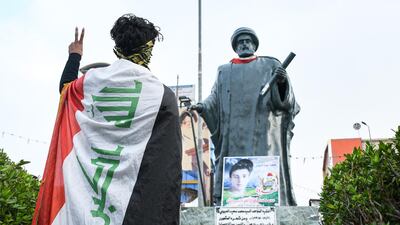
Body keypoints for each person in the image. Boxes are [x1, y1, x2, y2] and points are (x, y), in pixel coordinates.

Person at [32, 14, 182, 225]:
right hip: (131, 205)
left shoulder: (91, 82)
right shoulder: (161, 96)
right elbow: (166, 164)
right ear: (149, 49)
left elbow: (66, 89)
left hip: (85, 203)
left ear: (117, 47)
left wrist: (74, 55)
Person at [192, 27, 300, 206]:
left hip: (264, 133)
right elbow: (214, 98)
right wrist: (203, 106)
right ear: (235, 47)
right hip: (234, 135)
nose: (244, 44)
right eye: (240, 42)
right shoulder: (224, 71)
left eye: (247, 41)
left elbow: (287, 102)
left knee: (263, 173)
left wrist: (281, 82)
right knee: (235, 168)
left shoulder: (270, 65)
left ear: (254, 44)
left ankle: (268, 201)